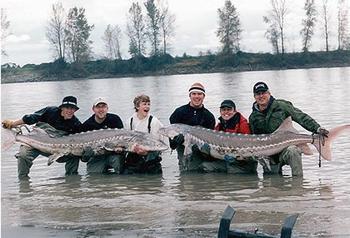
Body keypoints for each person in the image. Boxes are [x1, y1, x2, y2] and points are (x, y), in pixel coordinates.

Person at [249, 82, 329, 176]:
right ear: (254, 97)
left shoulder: (281, 106)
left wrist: (317, 128)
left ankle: (298, 184)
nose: (261, 96)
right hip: (269, 156)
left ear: (269, 93)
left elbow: (301, 117)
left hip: (285, 150)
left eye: (263, 93)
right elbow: (255, 139)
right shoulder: (253, 117)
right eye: (258, 94)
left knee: (293, 150)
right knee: (271, 182)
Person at [2, 96, 82, 179]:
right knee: (23, 155)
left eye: (72, 108)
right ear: (62, 108)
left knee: (74, 156)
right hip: (34, 140)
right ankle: (23, 180)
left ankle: (72, 183)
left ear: (75, 110)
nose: (70, 111)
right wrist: (13, 123)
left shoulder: (75, 123)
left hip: (54, 148)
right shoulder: (51, 111)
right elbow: (31, 118)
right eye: (67, 108)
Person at [169, 82, 216, 172]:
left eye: (199, 94)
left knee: (201, 173)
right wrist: (174, 141)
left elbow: (211, 139)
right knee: (186, 174)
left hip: (201, 150)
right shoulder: (179, 112)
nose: (196, 96)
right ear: (190, 96)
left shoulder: (209, 116)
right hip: (183, 149)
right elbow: (171, 132)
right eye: (194, 94)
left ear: (203, 96)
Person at [80, 97, 125, 174]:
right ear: (93, 109)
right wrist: (87, 154)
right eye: (98, 107)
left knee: (119, 168)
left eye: (103, 107)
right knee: (93, 176)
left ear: (107, 108)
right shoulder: (87, 125)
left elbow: (123, 139)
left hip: (113, 155)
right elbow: (83, 159)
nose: (101, 110)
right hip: (97, 157)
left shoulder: (115, 119)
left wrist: (120, 148)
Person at [213, 99, 258, 174]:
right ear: (220, 112)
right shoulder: (219, 126)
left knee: (233, 175)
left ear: (234, 111)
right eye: (223, 110)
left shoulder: (242, 125)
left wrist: (235, 158)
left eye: (229, 109)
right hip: (228, 159)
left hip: (244, 163)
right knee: (206, 166)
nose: (226, 112)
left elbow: (249, 148)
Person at [125, 94, 164, 174]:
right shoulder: (129, 121)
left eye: (148, 104)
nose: (147, 106)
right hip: (134, 155)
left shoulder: (154, 121)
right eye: (144, 104)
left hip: (151, 155)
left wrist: (146, 152)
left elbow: (158, 144)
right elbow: (126, 141)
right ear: (137, 106)